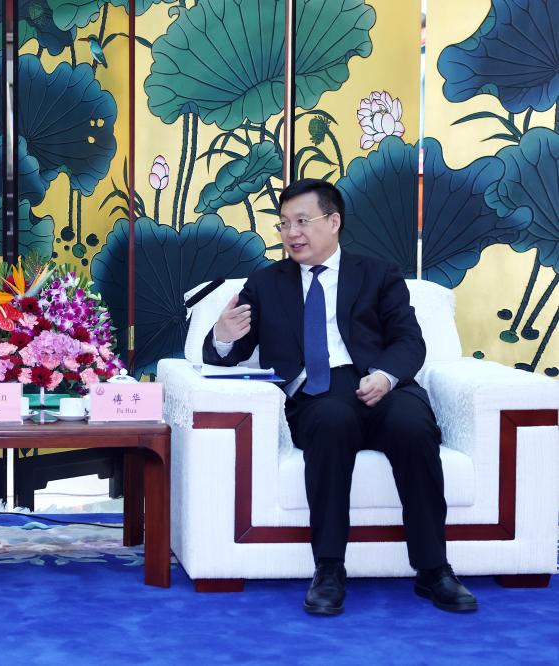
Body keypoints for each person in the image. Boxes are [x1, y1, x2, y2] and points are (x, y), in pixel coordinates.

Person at [203, 178, 477, 616]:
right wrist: (221, 334)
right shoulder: (265, 283)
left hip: (381, 385)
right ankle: (329, 568)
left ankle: (434, 569)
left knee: (413, 426)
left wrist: (385, 375)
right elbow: (228, 354)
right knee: (332, 422)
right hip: (316, 393)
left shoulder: (378, 274)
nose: (292, 233)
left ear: (333, 222)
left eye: (302, 221)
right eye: (284, 224)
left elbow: (409, 340)